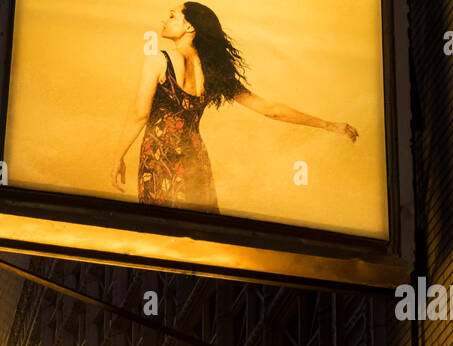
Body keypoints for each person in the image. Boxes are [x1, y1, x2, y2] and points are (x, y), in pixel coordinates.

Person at [112, 3, 359, 209]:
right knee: (200, 232)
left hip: (160, 158)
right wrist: (328, 125)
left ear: (189, 26)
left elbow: (140, 114)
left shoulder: (158, 59)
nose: (165, 20)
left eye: (172, 16)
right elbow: (269, 109)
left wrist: (118, 156)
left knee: (162, 232)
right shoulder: (214, 73)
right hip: (195, 158)